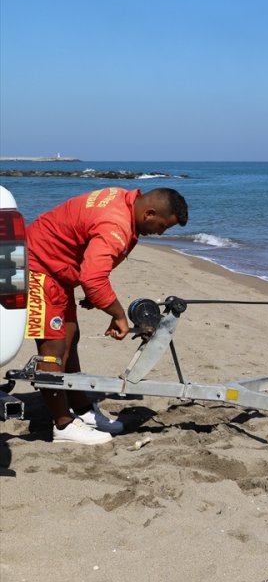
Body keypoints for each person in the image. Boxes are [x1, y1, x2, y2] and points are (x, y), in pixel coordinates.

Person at [24, 187, 189, 444]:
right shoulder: (117, 224)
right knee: (52, 347)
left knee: (70, 337)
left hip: (57, 269)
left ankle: (81, 409)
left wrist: (95, 294)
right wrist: (119, 316)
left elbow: (89, 247)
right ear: (150, 213)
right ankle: (63, 426)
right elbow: (93, 278)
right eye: (162, 226)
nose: (161, 233)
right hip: (36, 266)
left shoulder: (124, 199)